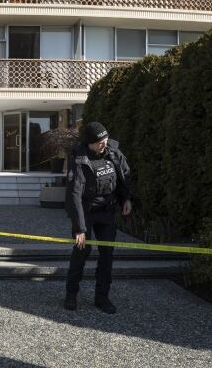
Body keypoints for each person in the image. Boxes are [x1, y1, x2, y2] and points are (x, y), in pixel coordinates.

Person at [63, 121, 132, 314]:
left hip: (107, 211)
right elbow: (74, 194)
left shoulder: (113, 153)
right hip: (85, 211)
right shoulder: (79, 159)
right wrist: (79, 228)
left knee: (107, 255)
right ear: (89, 143)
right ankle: (71, 294)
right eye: (99, 142)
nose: (104, 144)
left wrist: (126, 198)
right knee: (81, 252)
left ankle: (102, 297)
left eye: (105, 139)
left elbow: (123, 176)